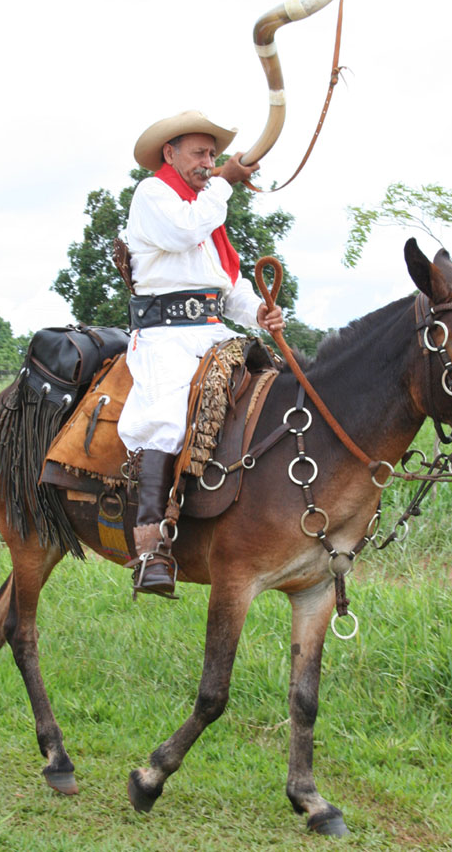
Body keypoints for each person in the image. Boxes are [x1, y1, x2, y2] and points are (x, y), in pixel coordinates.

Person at [117, 110, 284, 599]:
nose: (208, 163)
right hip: (164, 336)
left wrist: (262, 313)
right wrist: (226, 183)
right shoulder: (154, 196)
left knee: (271, 392)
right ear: (169, 153)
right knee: (167, 418)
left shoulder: (206, 212)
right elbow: (181, 234)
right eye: (199, 153)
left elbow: (227, 290)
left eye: (213, 155)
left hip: (212, 331)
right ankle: (151, 548)